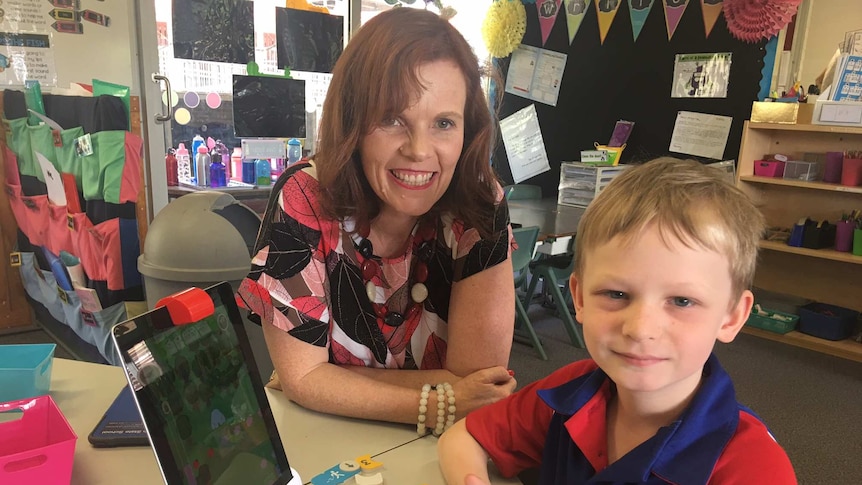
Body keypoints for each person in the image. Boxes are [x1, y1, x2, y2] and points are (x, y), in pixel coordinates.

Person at [237, 7, 516, 427]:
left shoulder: (479, 203)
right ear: (353, 122)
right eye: (391, 119)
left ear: (468, 129)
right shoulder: (304, 197)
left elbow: (479, 385)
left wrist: (331, 382)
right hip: (326, 435)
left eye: (443, 122)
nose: (420, 150)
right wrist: (444, 400)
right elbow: (304, 378)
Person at [438, 158, 798, 484]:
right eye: (616, 295)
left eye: (682, 301)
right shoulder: (570, 391)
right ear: (578, 298)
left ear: (732, 316)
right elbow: (465, 436)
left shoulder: (753, 467)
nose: (640, 329)